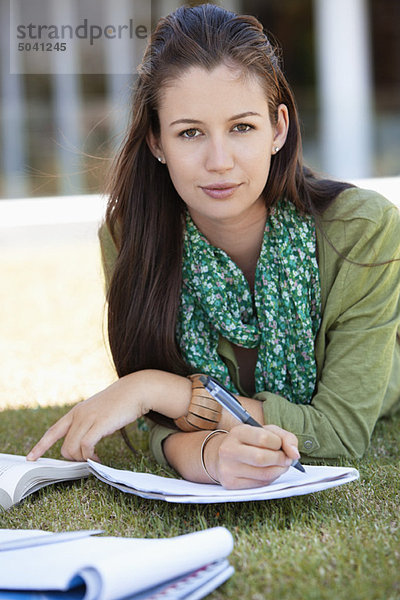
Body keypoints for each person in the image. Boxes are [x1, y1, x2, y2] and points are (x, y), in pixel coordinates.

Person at [27, 3, 400, 489]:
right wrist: (207, 457)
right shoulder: (129, 233)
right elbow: (150, 424)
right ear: (157, 142)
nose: (219, 161)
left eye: (242, 127)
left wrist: (161, 390)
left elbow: (337, 434)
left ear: (278, 129)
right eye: (190, 133)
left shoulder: (362, 228)